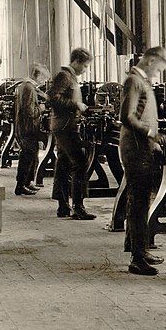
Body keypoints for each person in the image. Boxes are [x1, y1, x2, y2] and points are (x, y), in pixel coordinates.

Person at [119, 47, 166, 276]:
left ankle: (139, 247)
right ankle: (137, 259)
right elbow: (127, 116)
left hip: (144, 148)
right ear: (150, 60)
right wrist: (151, 134)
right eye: (159, 68)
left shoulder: (142, 82)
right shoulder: (134, 81)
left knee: (140, 199)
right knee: (139, 203)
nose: (158, 73)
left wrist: (153, 141)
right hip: (136, 150)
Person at [48, 47, 94, 220]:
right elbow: (53, 97)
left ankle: (63, 206)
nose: (85, 69)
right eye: (85, 66)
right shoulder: (65, 76)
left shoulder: (69, 76)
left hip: (63, 124)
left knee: (63, 164)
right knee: (80, 163)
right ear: (76, 62)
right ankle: (78, 207)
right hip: (65, 126)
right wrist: (76, 105)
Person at [13, 63, 49, 196]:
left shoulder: (26, 86)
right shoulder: (28, 88)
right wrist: (41, 108)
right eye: (43, 78)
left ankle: (27, 183)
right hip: (27, 127)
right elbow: (29, 111)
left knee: (32, 155)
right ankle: (20, 185)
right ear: (37, 75)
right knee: (27, 157)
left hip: (27, 127)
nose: (43, 81)